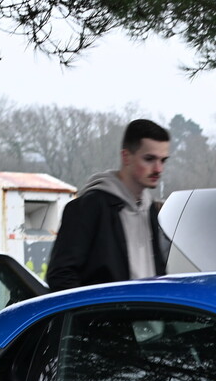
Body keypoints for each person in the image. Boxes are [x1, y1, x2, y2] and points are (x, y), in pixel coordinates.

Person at [46, 119, 171, 291]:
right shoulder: (89, 207)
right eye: (149, 159)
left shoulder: (149, 209)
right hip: (103, 316)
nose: (158, 169)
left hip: (145, 316)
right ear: (126, 157)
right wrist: (95, 316)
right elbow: (61, 276)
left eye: (163, 160)